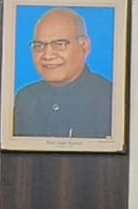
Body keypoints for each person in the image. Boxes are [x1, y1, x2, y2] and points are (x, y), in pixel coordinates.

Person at [13, 7, 112, 138]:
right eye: (39, 46)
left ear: (85, 46)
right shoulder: (25, 99)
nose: (47, 55)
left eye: (60, 44)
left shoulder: (110, 99)